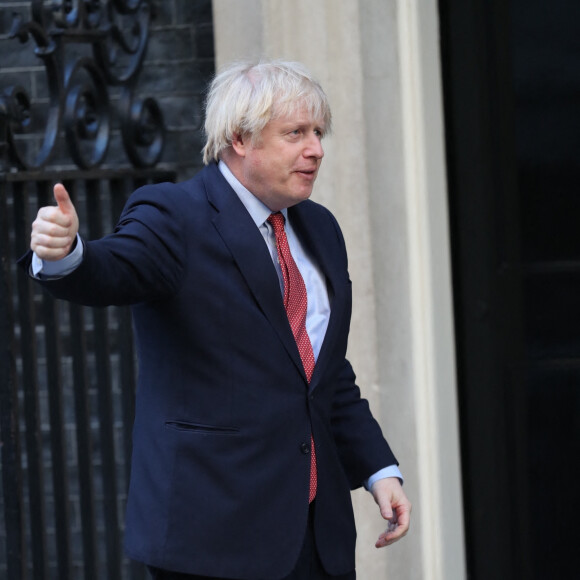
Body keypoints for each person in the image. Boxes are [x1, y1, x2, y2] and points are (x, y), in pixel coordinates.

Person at [22, 60, 411, 580]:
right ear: (238, 139)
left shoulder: (320, 228)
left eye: (318, 132)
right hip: (213, 540)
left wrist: (378, 470)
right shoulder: (173, 215)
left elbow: (322, 375)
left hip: (317, 537)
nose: (316, 148)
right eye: (295, 133)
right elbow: (112, 270)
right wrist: (68, 253)